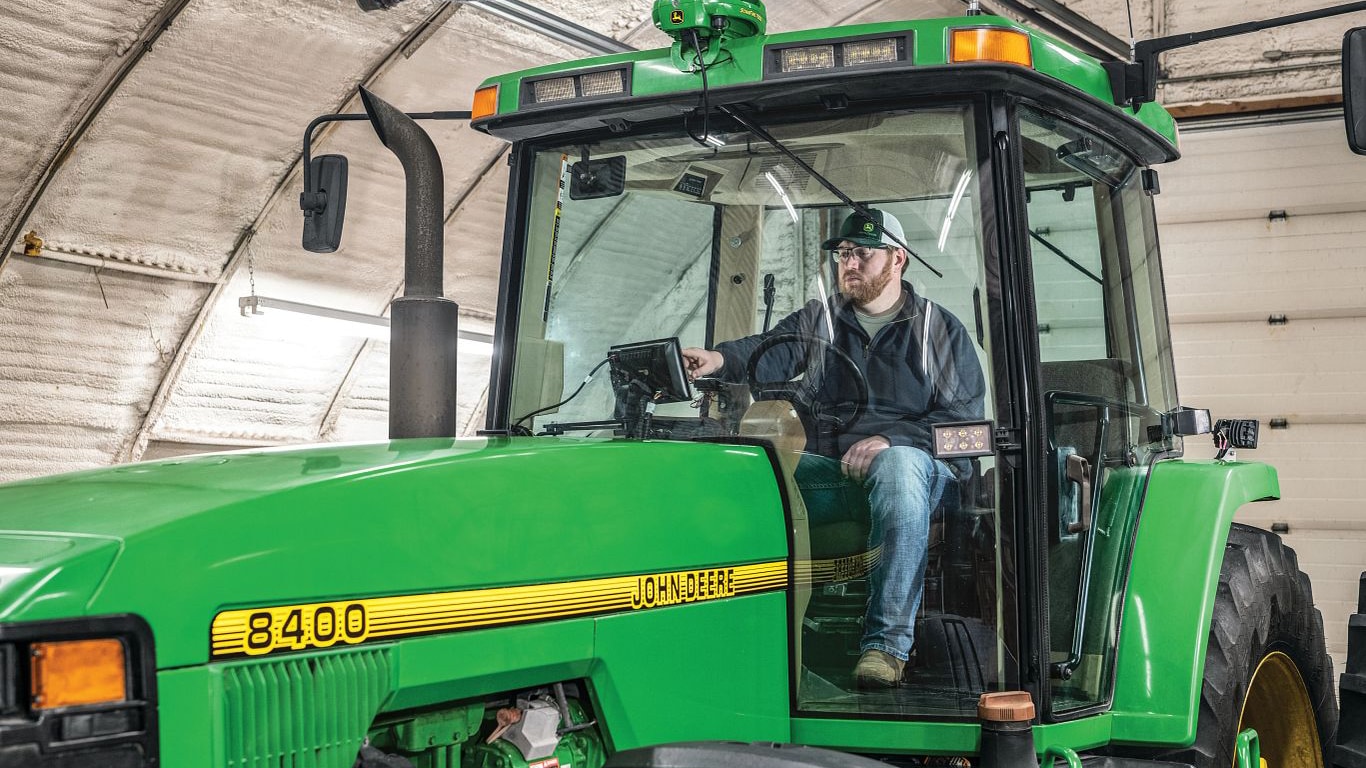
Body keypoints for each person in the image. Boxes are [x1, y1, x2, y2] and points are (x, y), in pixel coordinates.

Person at [682, 208, 985, 688]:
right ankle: (729, 635)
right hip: (837, 472)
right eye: (844, 254)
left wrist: (895, 440)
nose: (850, 263)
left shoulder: (939, 331)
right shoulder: (821, 320)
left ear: (898, 259)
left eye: (863, 253)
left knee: (899, 466)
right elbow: (771, 347)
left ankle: (886, 647)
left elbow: (968, 429)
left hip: (921, 476)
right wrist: (717, 358)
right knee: (747, 471)